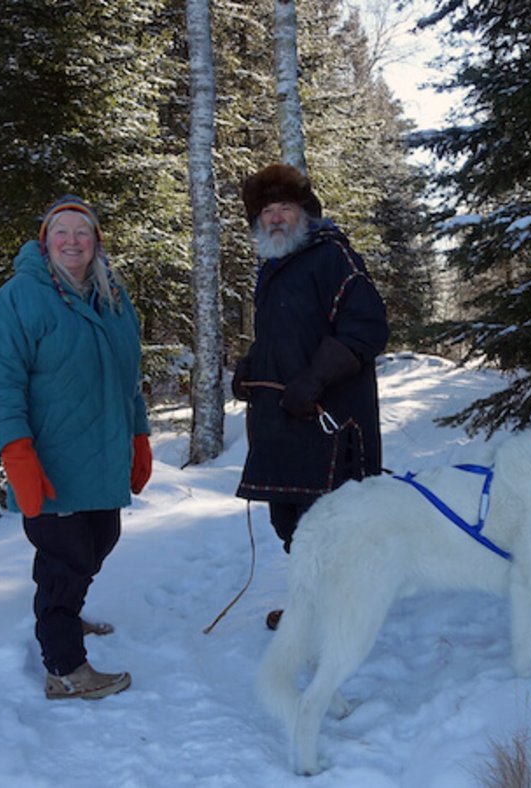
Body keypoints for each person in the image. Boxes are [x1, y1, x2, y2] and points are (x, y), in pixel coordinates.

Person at [0, 194, 152, 700]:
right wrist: (16, 451)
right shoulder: (19, 298)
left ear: (95, 242)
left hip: (102, 454)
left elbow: (128, 379)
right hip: (50, 458)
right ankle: (65, 667)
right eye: (62, 232)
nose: (72, 241)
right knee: (63, 561)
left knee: (100, 541)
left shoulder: (112, 298)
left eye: (82, 232)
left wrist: (138, 434)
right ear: (45, 240)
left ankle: (68, 617)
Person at [232, 164, 389, 628]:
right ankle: (313, 605)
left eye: (285, 207)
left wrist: (315, 378)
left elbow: (367, 328)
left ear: (305, 213)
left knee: (331, 524)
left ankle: (343, 614)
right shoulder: (276, 267)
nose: (276, 217)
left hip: (331, 423)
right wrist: (252, 367)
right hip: (285, 422)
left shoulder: (332, 257)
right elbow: (286, 336)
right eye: (267, 210)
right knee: (292, 523)